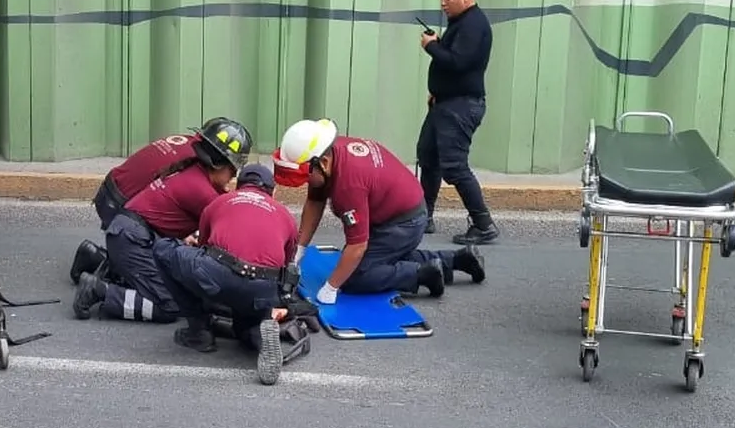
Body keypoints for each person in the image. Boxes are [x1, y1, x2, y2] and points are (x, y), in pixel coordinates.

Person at [271, 118, 485, 302]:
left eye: (305, 176)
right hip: (400, 211)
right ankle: (459, 259)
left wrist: (331, 288)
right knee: (381, 258)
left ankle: (422, 275)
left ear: (323, 163)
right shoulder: (331, 152)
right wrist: (299, 249)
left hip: (404, 222)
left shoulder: (348, 185)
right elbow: (315, 200)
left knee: (356, 276)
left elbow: (357, 247)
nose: (305, 183)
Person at [72, 117, 253, 324]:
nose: (233, 177)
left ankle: (99, 261)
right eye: (233, 170)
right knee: (170, 305)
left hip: (130, 234)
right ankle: (99, 291)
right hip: (133, 239)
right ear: (219, 164)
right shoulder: (202, 191)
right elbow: (229, 231)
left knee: (171, 278)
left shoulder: (192, 170)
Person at [153, 163, 302, 385]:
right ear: (272, 191)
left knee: (164, 249)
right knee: (245, 326)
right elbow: (287, 263)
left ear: (238, 186)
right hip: (263, 290)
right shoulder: (286, 216)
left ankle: (198, 332)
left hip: (221, 275)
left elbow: (203, 247)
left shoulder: (219, 202)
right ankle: (262, 340)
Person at [417, 0, 497, 245]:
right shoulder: (461, 21)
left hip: (461, 107)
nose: (443, 3)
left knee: (454, 167)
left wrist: (431, 46)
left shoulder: (474, 24)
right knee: (428, 158)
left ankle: (483, 223)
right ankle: (422, 217)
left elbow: (458, 62)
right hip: (446, 103)